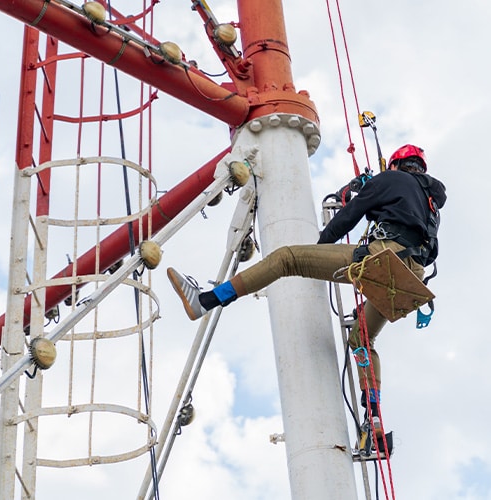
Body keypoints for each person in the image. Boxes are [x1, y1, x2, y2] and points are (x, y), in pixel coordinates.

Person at [166, 144, 446, 438]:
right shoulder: (431, 202)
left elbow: (348, 215)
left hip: (384, 257)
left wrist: (319, 250)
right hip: (411, 277)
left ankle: (208, 300)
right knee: (363, 339)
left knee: (288, 259)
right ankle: (373, 418)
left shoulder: (390, 179)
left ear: (396, 164)